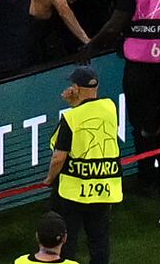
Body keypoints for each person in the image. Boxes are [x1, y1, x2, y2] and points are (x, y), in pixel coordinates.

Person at [59, 74, 130, 264]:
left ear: (76, 88)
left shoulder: (70, 117)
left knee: (67, 240)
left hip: (74, 189)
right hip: (104, 187)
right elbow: (89, 116)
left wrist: (50, 179)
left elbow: (59, 155)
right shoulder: (109, 107)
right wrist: (77, 103)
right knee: (99, 240)